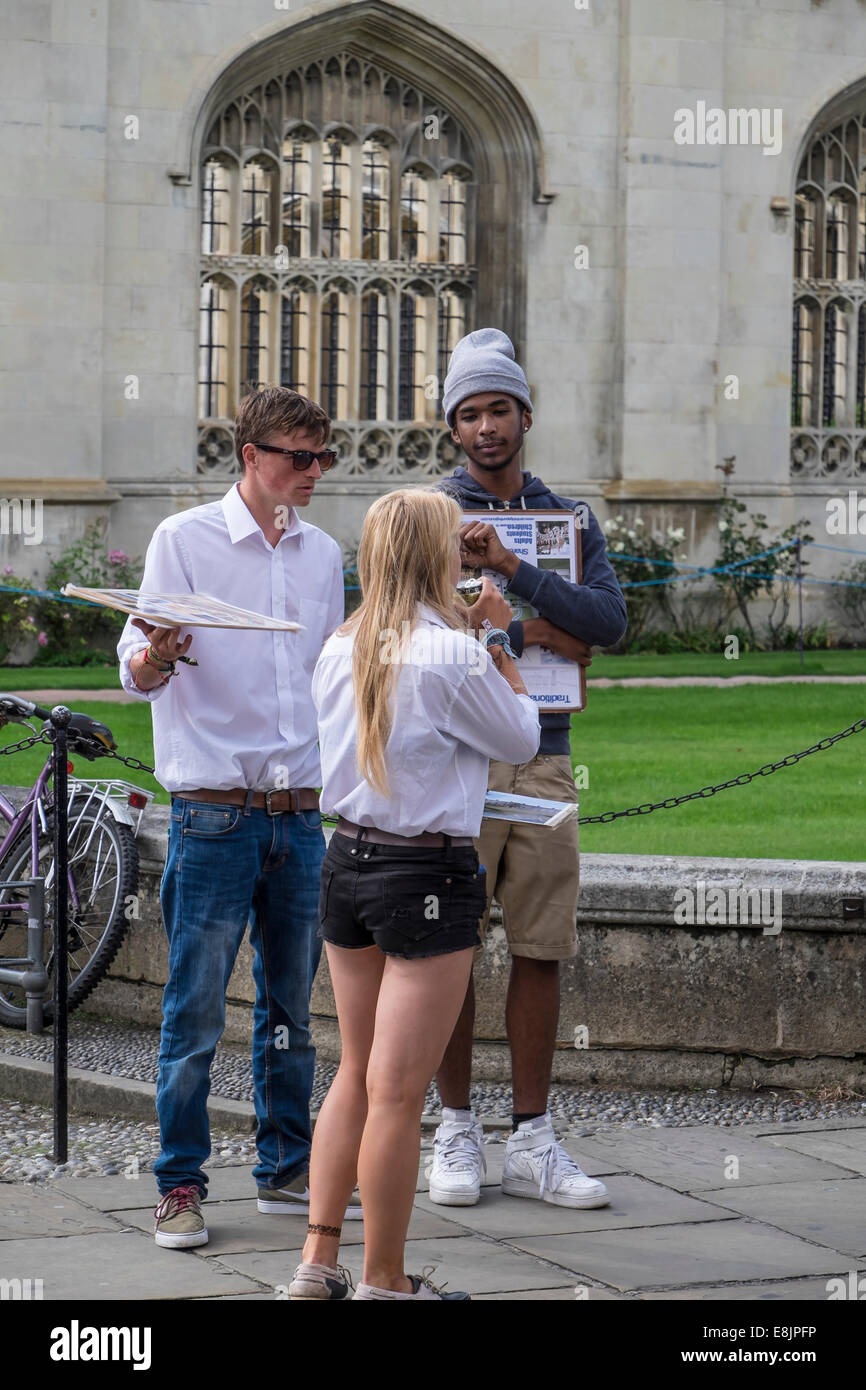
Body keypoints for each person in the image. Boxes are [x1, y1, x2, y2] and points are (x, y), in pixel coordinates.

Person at [116, 386, 361, 1248]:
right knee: (193, 1013)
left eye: (323, 456)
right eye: (300, 456)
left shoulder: (322, 553)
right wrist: (158, 654)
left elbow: (332, 679)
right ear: (251, 455)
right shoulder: (182, 541)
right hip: (214, 814)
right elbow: (133, 669)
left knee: (292, 1008)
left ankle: (286, 1167)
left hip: (299, 818)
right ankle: (178, 1186)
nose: (315, 472)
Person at [288, 488, 540, 1301]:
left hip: (347, 861)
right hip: (425, 872)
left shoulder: (342, 642)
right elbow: (520, 737)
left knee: (354, 1074)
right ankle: (386, 1281)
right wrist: (499, 643)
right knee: (398, 1093)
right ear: (440, 556)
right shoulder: (454, 653)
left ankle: (316, 1266)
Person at [428, 328, 628, 1209]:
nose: (485, 428)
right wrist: (540, 632)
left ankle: (535, 1139)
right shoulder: (429, 516)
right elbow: (396, 623)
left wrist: (515, 574)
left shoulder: (570, 520)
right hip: (454, 762)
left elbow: (610, 625)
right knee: (449, 953)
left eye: (497, 409)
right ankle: (458, 1130)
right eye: (467, 414)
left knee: (541, 948)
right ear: (453, 429)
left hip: (545, 760)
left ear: (525, 415)